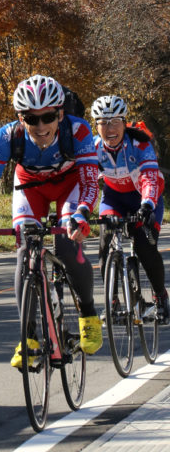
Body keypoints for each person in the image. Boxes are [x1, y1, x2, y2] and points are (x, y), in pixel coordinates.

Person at [0, 74, 103, 367]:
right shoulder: (5, 136)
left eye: (48, 117)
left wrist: (81, 214)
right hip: (30, 188)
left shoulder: (78, 130)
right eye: (32, 119)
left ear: (60, 113)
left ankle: (89, 315)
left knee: (67, 245)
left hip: (70, 187)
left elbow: (90, 180)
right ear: (20, 117)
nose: (41, 126)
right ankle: (28, 336)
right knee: (25, 248)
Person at [91, 95, 170, 324]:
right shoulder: (94, 148)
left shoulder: (139, 143)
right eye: (103, 122)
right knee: (106, 245)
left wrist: (147, 204)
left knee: (145, 248)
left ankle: (160, 298)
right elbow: (85, 180)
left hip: (145, 198)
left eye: (115, 121)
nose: (109, 128)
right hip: (114, 198)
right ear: (96, 126)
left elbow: (149, 178)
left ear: (124, 122)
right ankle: (112, 302)